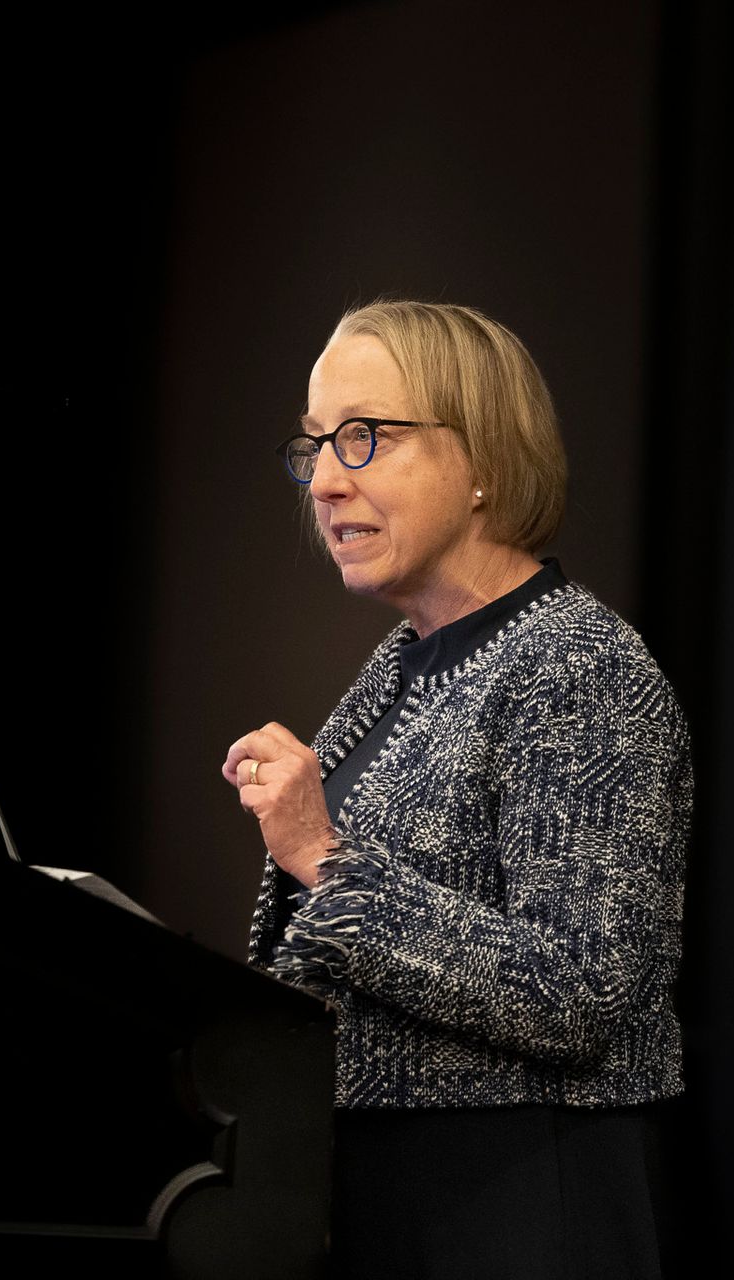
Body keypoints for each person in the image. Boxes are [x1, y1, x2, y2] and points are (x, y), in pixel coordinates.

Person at [222, 301, 690, 1278]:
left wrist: (326, 860)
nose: (326, 479)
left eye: (363, 436)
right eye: (312, 446)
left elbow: (580, 991)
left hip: (514, 1202)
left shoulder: (576, 666)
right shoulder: (405, 666)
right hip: (384, 1197)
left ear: (483, 458)